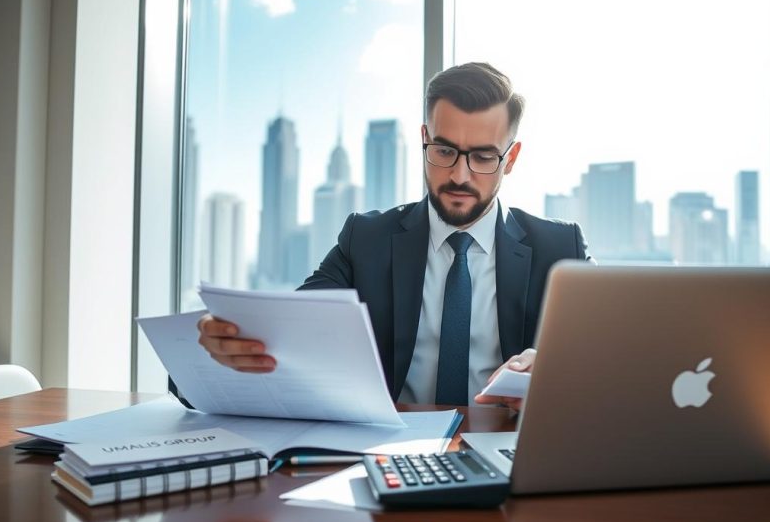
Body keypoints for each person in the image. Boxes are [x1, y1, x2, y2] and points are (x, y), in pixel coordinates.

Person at [198, 62, 591, 409]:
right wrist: (226, 343)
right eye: (444, 151)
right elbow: (289, 331)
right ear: (424, 139)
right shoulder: (365, 238)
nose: (459, 175)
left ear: (512, 158)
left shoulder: (560, 247)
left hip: (513, 446)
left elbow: (613, 355)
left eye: (484, 157)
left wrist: (558, 365)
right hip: (391, 449)